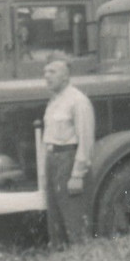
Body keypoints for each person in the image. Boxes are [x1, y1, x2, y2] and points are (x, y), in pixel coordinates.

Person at [41, 56, 96, 250]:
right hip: (53, 160)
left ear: (65, 76)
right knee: (55, 218)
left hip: (69, 160)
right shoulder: (54, 102)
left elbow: (86, 139)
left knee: (74, 217)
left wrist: (77, 174)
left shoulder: (78, 101)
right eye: (45, 72)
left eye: (52, 72)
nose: (47, 76)